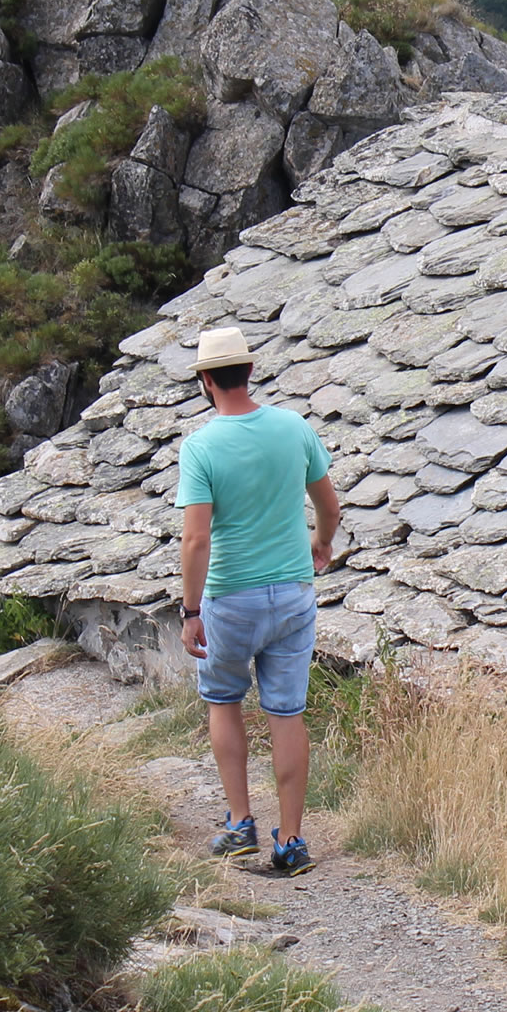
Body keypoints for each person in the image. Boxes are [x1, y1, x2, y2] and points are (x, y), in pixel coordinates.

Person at [175, 326, 342, 877]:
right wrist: (320, 544)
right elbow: (329, 507)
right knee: (286, 712)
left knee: (224, 699)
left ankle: (240, 824)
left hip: (231, 596)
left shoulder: (201, 447)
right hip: (294, 593)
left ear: (205, 380)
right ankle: (291, 841)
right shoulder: (294, 428)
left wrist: (191, 611)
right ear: (249, 371)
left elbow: (197, 538)